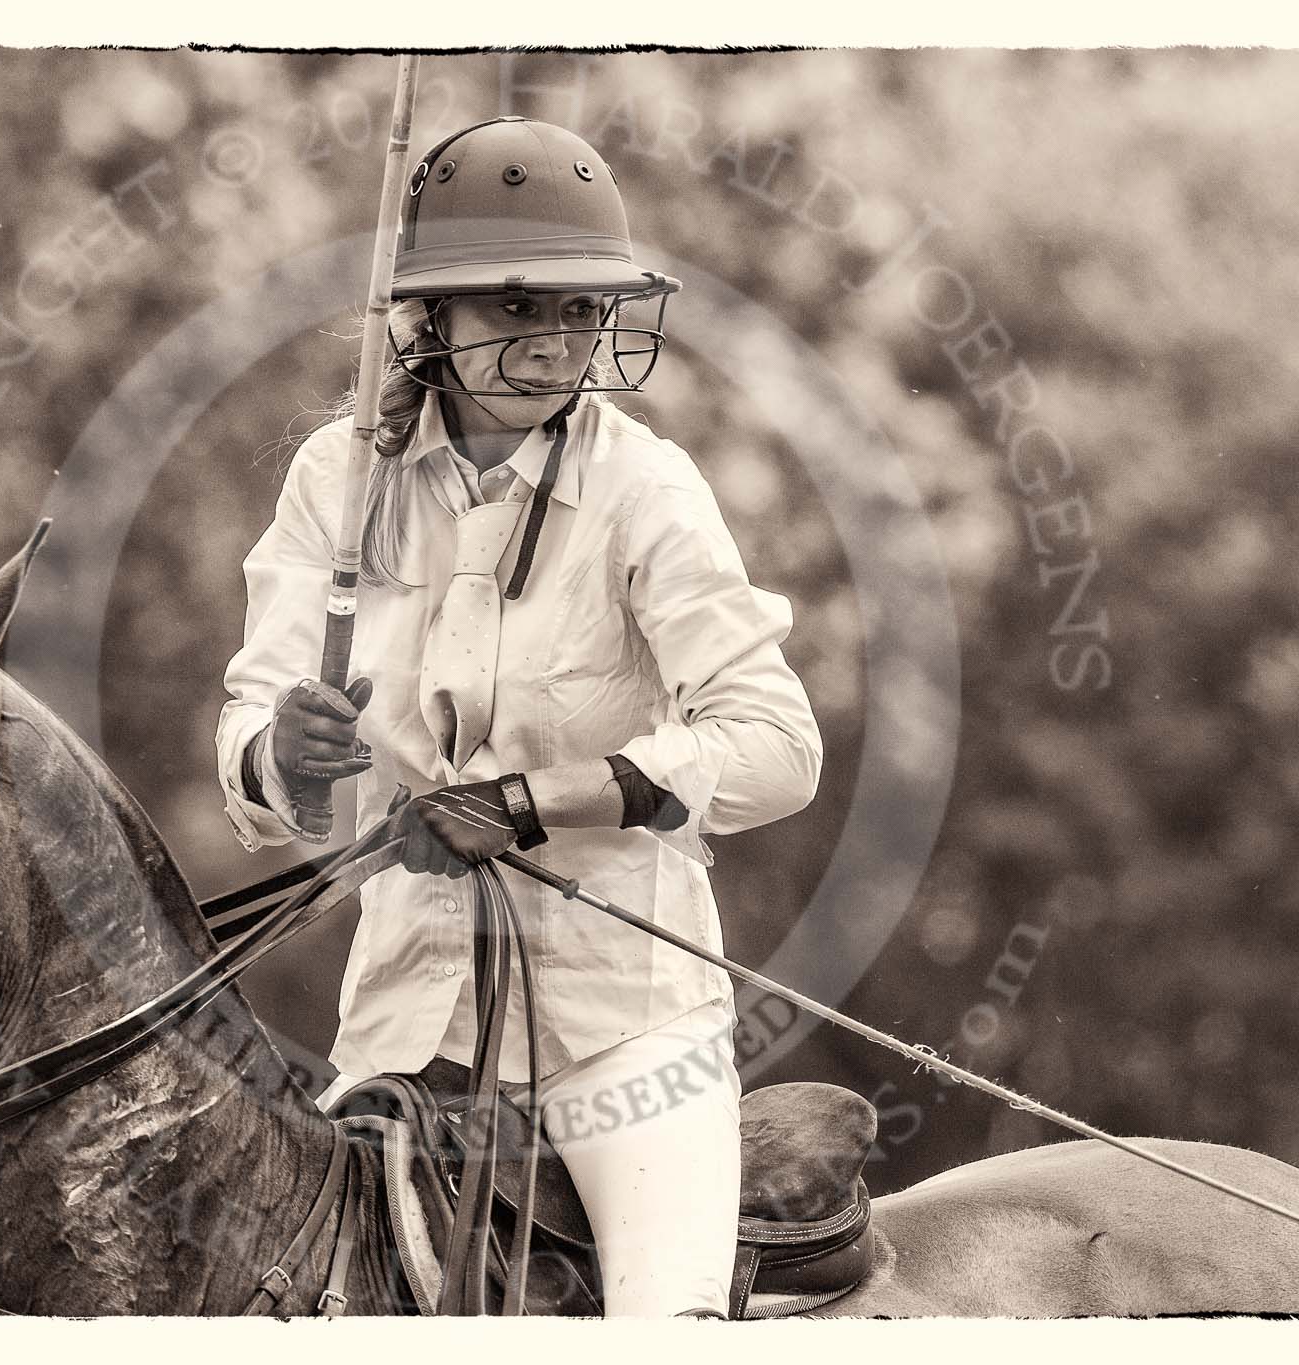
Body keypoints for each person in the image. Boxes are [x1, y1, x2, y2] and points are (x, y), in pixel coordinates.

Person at [216, 116, 823, 1317]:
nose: (556, 345)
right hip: (397, 1021)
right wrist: (283, 753)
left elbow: (776, 747)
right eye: (516, 309)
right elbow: (258, 733)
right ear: (426, 323)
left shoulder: (645, 488)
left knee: (667, 1320)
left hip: (622, 1030)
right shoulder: (336, 482)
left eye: (580, 311)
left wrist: (537, 801)